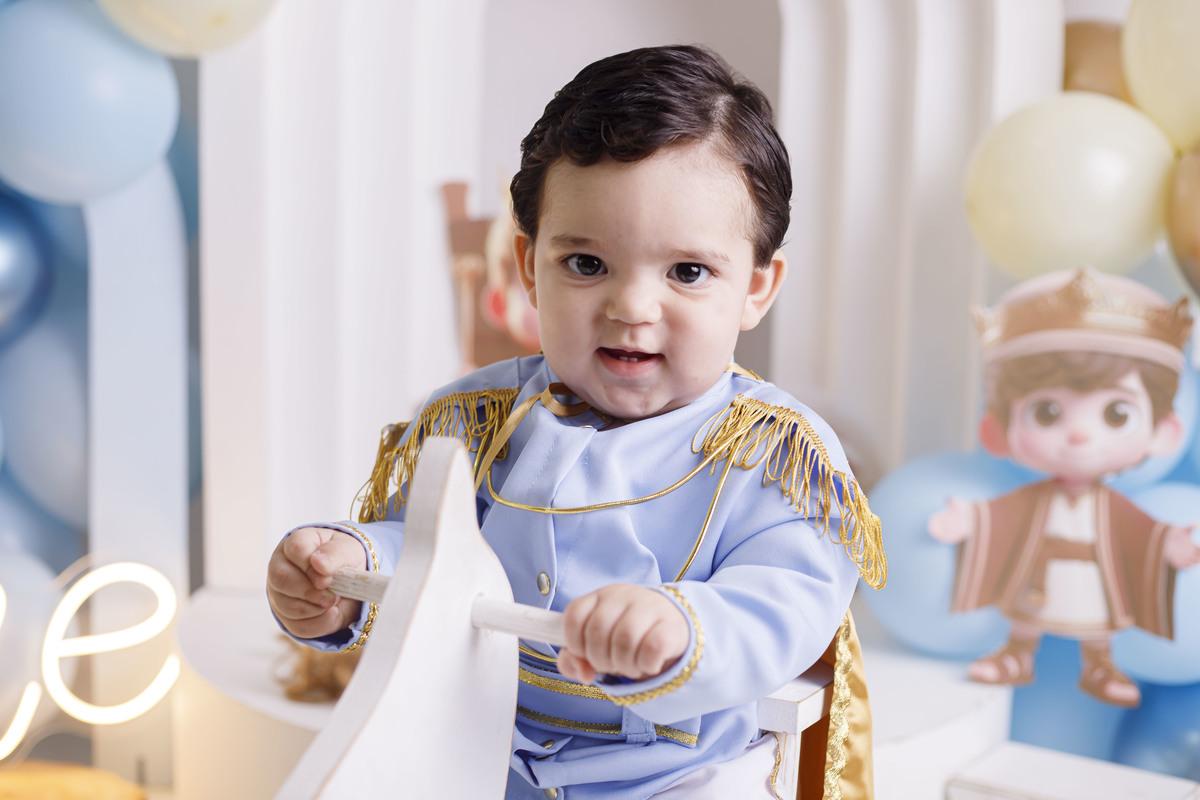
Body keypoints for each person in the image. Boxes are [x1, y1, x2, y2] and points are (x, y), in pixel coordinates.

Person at [267, 44, 885, 799]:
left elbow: (783, 605)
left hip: (672, 775)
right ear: (531, 266)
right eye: (587, 264)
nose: (632, 307)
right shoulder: (475, 420)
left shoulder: (775, 454)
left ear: (756, 289)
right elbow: (434, 550)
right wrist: (349, 573)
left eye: (688, 272)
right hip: (488, 752)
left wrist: (679, 625)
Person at [928, 267, 1199, 707]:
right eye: (1047, 413)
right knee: (1025, 616)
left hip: (1095, 577)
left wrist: (1168, 542)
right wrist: (971, 520)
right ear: (998, 430)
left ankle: (1099, 664)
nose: (1079, 435)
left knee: (1099, 621)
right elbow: (1003, 515)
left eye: (1116, 414)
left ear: (1164, 431)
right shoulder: (1034, 499)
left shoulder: (1112, 506)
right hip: (1037, 575)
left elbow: (1139, 531)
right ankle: (1017, 653)